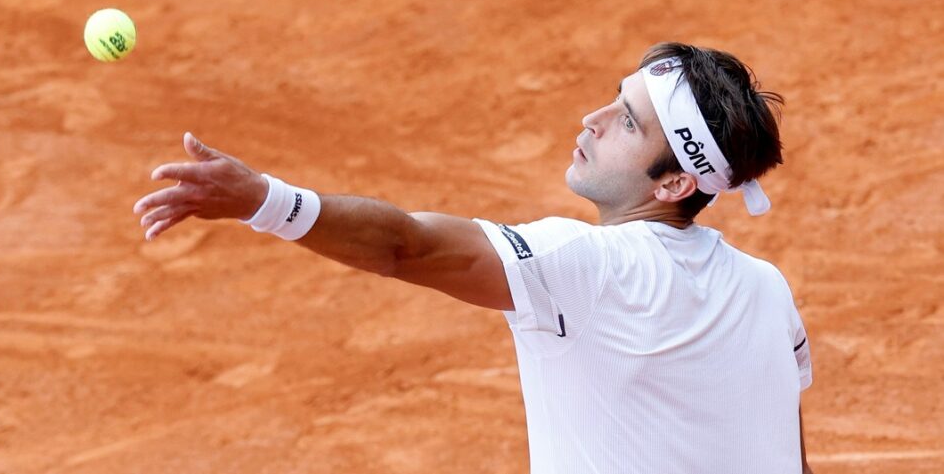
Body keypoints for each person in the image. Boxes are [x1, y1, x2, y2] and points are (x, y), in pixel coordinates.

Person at [133, 42, 813, 474]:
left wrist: (263, 198)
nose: (592, 119)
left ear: (674, 183)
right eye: (614, 99)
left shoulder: (589, 265)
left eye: (627, 121)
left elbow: (406, 245)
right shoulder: (767, 289)